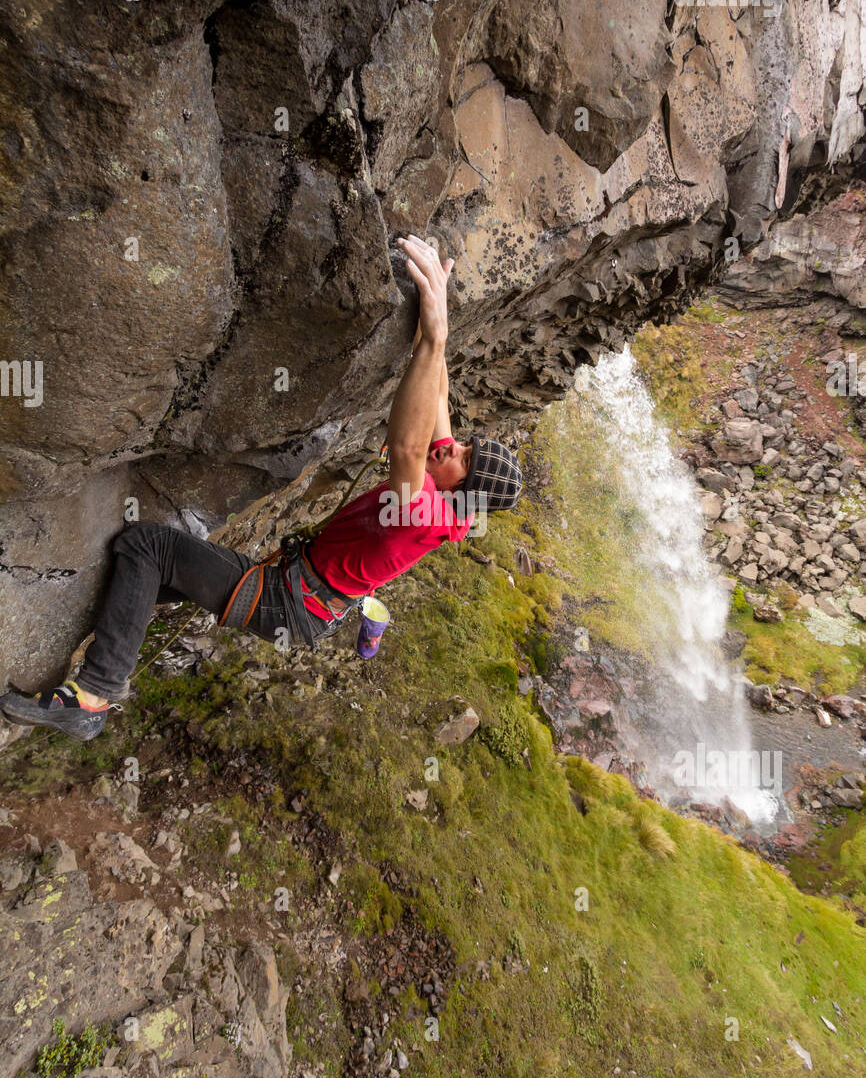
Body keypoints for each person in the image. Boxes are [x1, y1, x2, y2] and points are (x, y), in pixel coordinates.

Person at [0, 236, 523, 742]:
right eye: (465, 445)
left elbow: (407, 449)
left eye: (464, 459)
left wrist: (433, 340)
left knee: (148, 548)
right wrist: (436, 321)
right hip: (295, 594)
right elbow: (438, 402)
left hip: (285, 601)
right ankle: (108, 635)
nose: (451, 447)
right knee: (150, 573)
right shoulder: (448, 484)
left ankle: (92, 696)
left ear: (464, 494)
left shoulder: (429, 516)